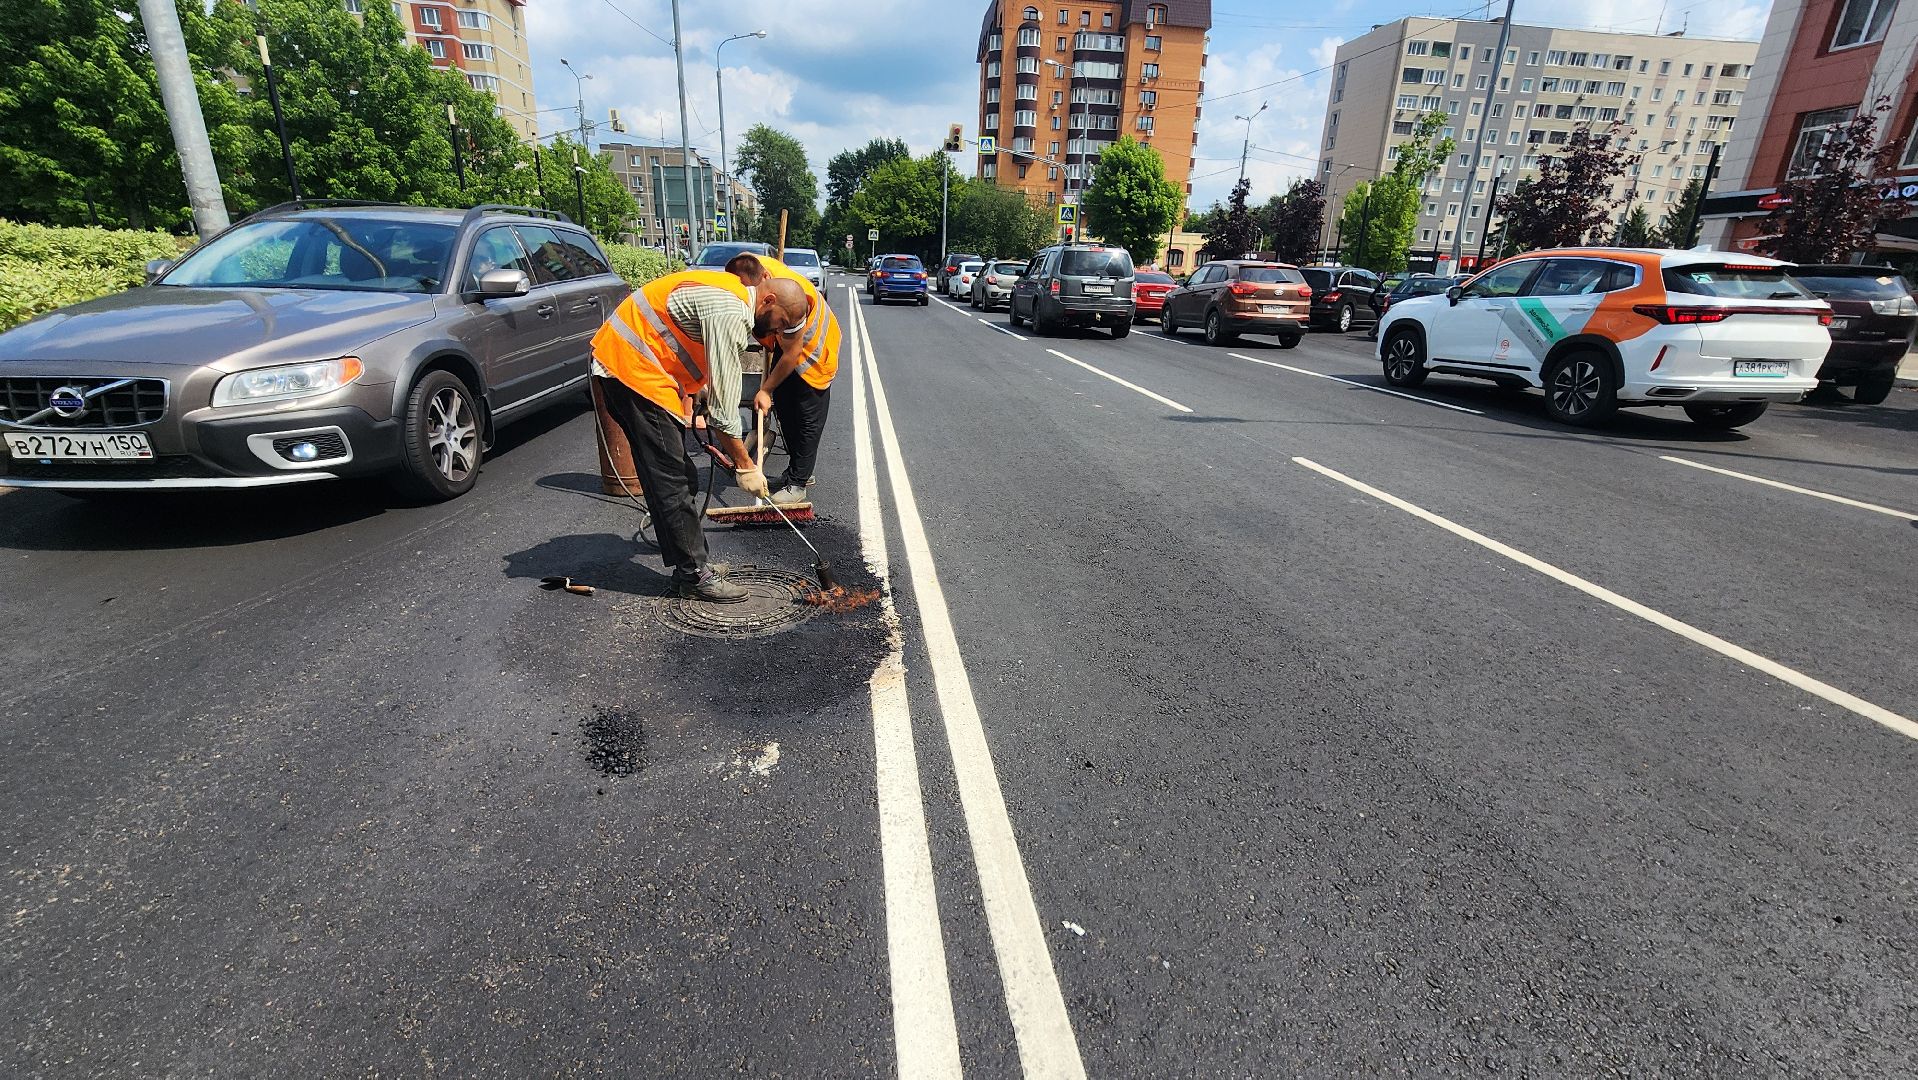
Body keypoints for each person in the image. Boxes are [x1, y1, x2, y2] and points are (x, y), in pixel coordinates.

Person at [591, 269, 809, 602]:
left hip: (639, 370)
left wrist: (701, 386)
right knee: (673, 478)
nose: (775, 333)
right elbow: (724, 417)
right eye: (778, 323)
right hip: (633, 372)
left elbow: (683, 336)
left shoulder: (731, 295)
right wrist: (745, 466)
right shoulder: (730, 313)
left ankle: (690, 566)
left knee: (674, 476)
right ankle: (695, 575)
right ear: (768, 300)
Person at [724, 252, 839, 505]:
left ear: (765, 279)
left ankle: (799, 484)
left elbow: (792, 353)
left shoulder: (791, 298)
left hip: (814, 353)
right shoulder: (752, 273)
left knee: (807, 415)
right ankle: (796, 472)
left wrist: (765, 390)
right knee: (785, 405)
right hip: (785, 343)